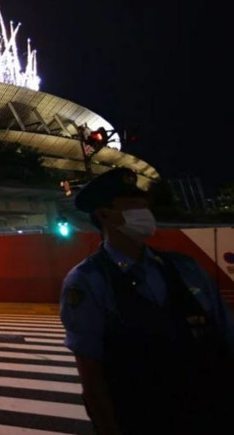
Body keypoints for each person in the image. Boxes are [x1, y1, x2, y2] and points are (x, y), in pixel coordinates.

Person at [60, 168, 234, 435]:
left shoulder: (185, 268)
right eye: (131, 204)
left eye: (143, 202)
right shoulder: (88, 281)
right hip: (142, 421)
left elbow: (226, 334)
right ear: (104, 214)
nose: (143, 209)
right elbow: (93, 381)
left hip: (211, 415)